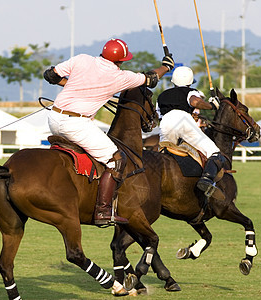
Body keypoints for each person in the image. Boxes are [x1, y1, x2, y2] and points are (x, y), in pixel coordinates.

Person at [43, 38, 174, 226]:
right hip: (75, 124)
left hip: (53, 118)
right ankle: (103, 209)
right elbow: (150, 79)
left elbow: (50, 75)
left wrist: (72, 85)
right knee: (115, 160)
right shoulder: (120, 77)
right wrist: (166, 67)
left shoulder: (81, 59)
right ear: (121, 60)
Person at [156, 66, 226, 200]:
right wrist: (213, 105)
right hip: (183, 121)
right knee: (215, 153)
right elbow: (195, 101)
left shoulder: (161, 96)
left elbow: (157, 117)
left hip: (165, 123)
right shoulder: (191, 91)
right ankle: (206, 180)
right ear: (190, 82)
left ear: (173, 81)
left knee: (163, 154)